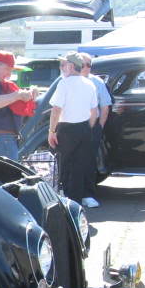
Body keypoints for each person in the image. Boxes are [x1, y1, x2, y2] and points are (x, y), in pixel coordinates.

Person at [48, 52, 98, 204]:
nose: (62, 68)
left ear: (70, 66)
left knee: (63, 165)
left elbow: (56, 109)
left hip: (66, 128)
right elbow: (94, 112)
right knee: (78, 167)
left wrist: (51, 131)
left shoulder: (64, 83)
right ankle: (74, 202)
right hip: (84, 128)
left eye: (63, 65)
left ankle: (61, 200)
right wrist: (87, 128)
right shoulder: (89, 83)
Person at [78, 52, 112, 208]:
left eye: (89, 64)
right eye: (83, 64)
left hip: (91, 126)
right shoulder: (67, 80)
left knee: (89, 162)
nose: (86, 68)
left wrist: (99, 127)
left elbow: (105, 107)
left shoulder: (96, 82)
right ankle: (70, 192)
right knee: (69, 161)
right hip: (71, 126)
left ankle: (88, 194)